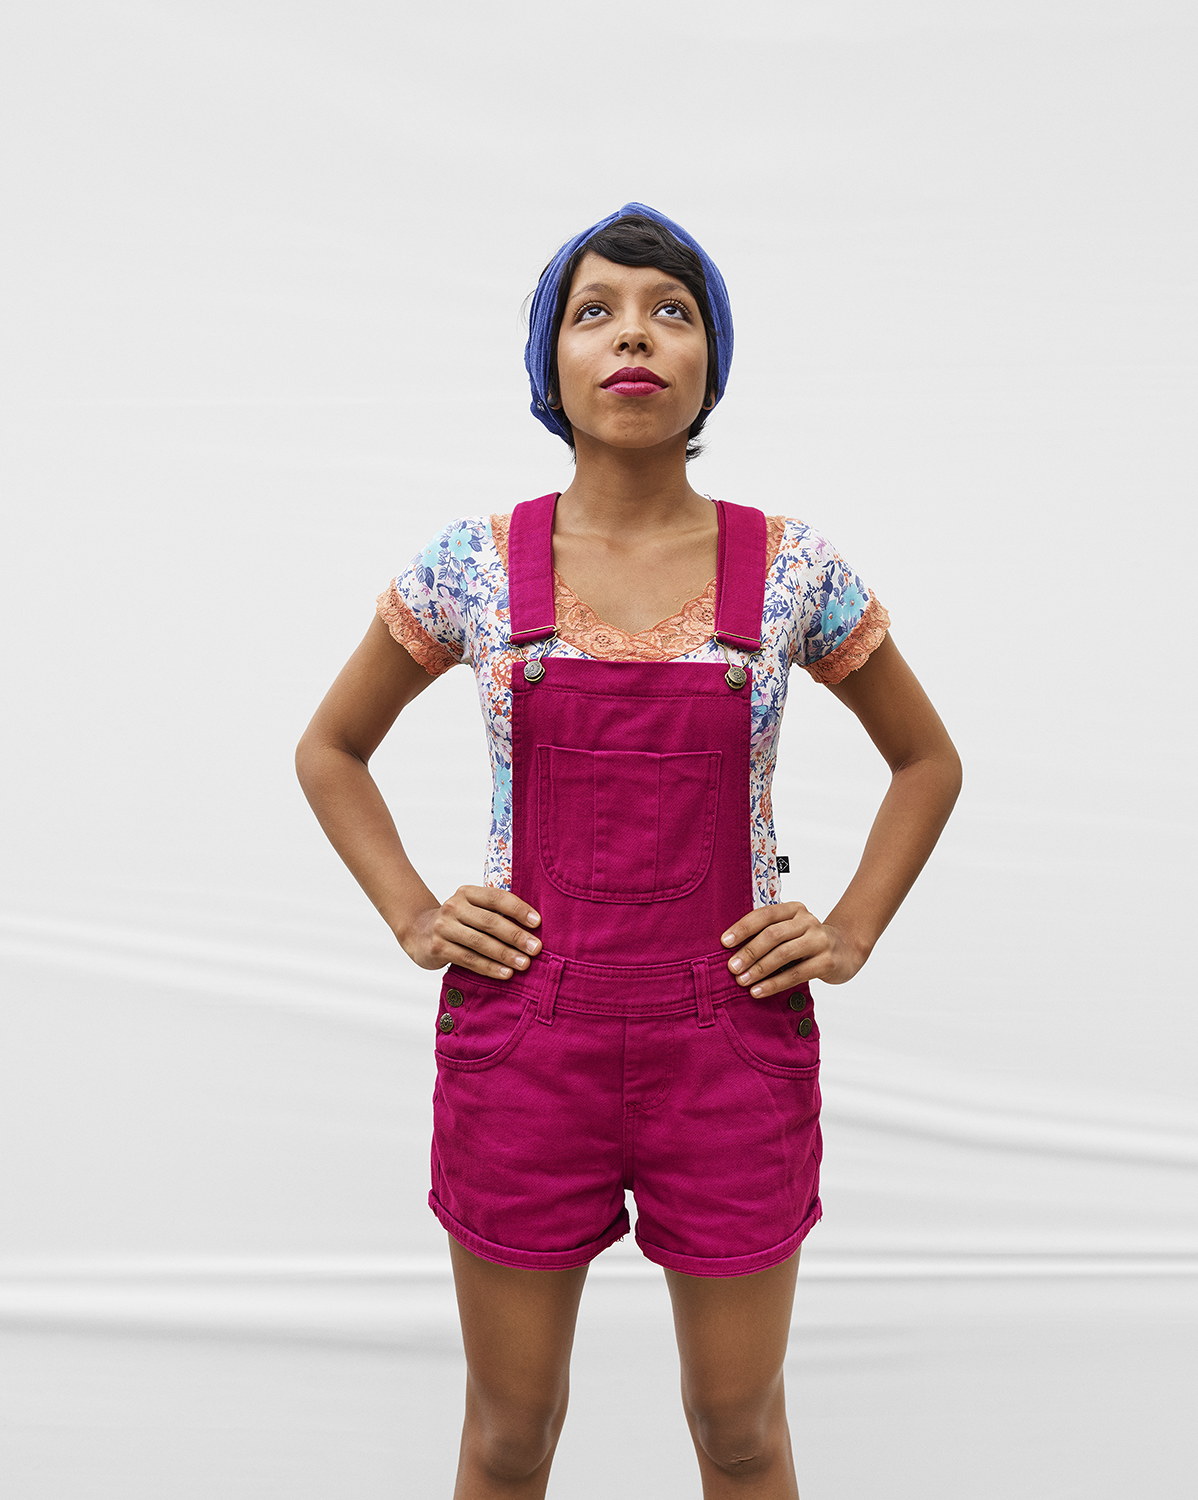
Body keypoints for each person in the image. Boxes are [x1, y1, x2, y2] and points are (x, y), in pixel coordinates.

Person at [295, 203, 962, 1500]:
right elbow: (332, 747)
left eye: (671, 311)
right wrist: (415, 913)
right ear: (549, 361)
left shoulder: (790, 568)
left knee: (741, 1431)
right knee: (507, 1435)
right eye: (594, 312)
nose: (634, 337)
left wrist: (849, 931)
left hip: (730, 1045)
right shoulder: (476, 565)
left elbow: (926, 761)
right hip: (523, 1045)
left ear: (714, 358)